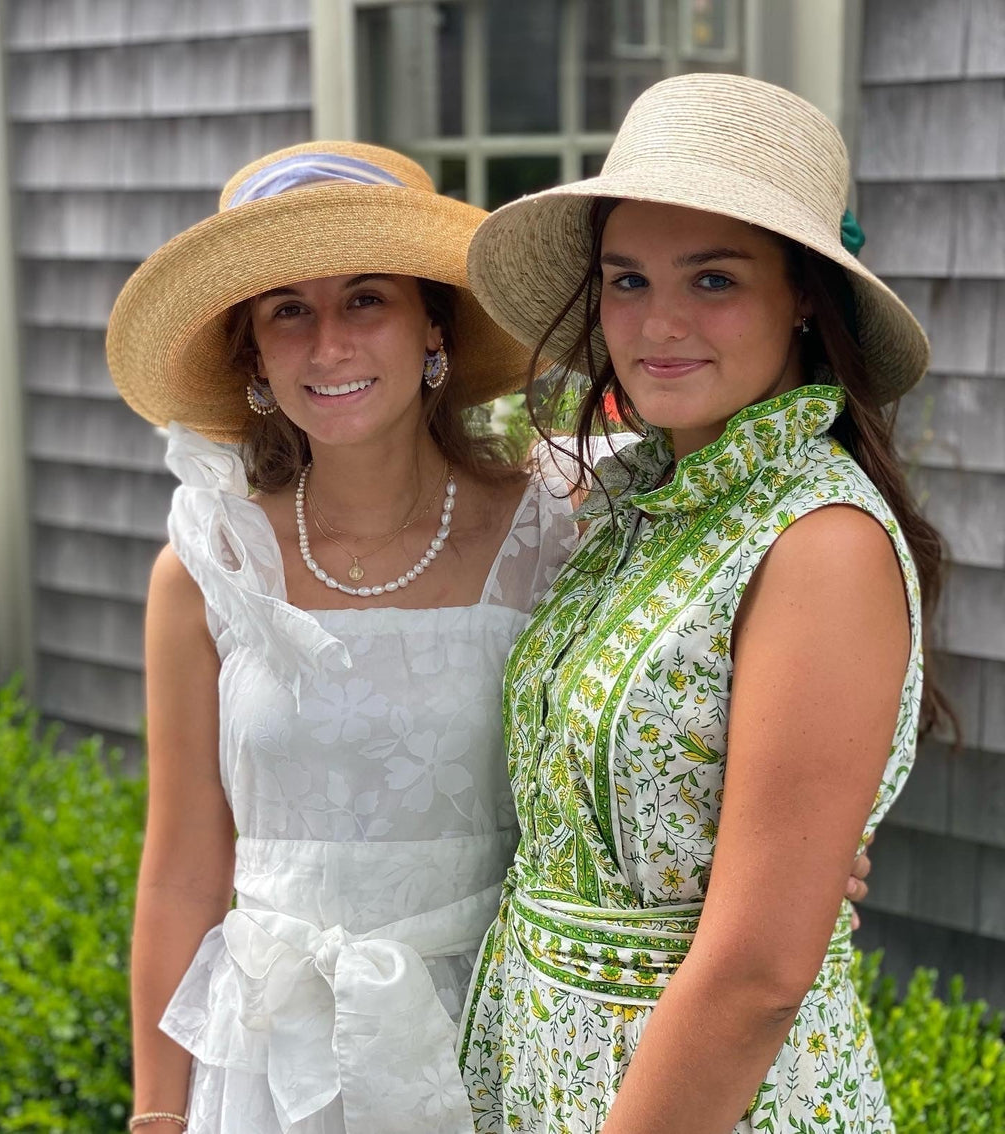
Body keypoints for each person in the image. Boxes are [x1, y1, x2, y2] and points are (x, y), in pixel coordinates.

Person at [107, 136, 872, 1134]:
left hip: (500, 1019)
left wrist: (805, 853)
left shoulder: (564, 527)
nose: (328, 344)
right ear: (251, 353)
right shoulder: (209, 567)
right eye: (287, 310)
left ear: (434, 324)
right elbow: (179, 868)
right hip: (274, 1053)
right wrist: (157, 1115)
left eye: (365, 297)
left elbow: (672, 700)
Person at [459, 73, 948, 1133]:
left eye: (712, 280)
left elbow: (758, 974)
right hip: (558, 1073)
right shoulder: (639, 503)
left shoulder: (816, 541)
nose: (657, 323)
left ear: (805, 298)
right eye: (626, 281)